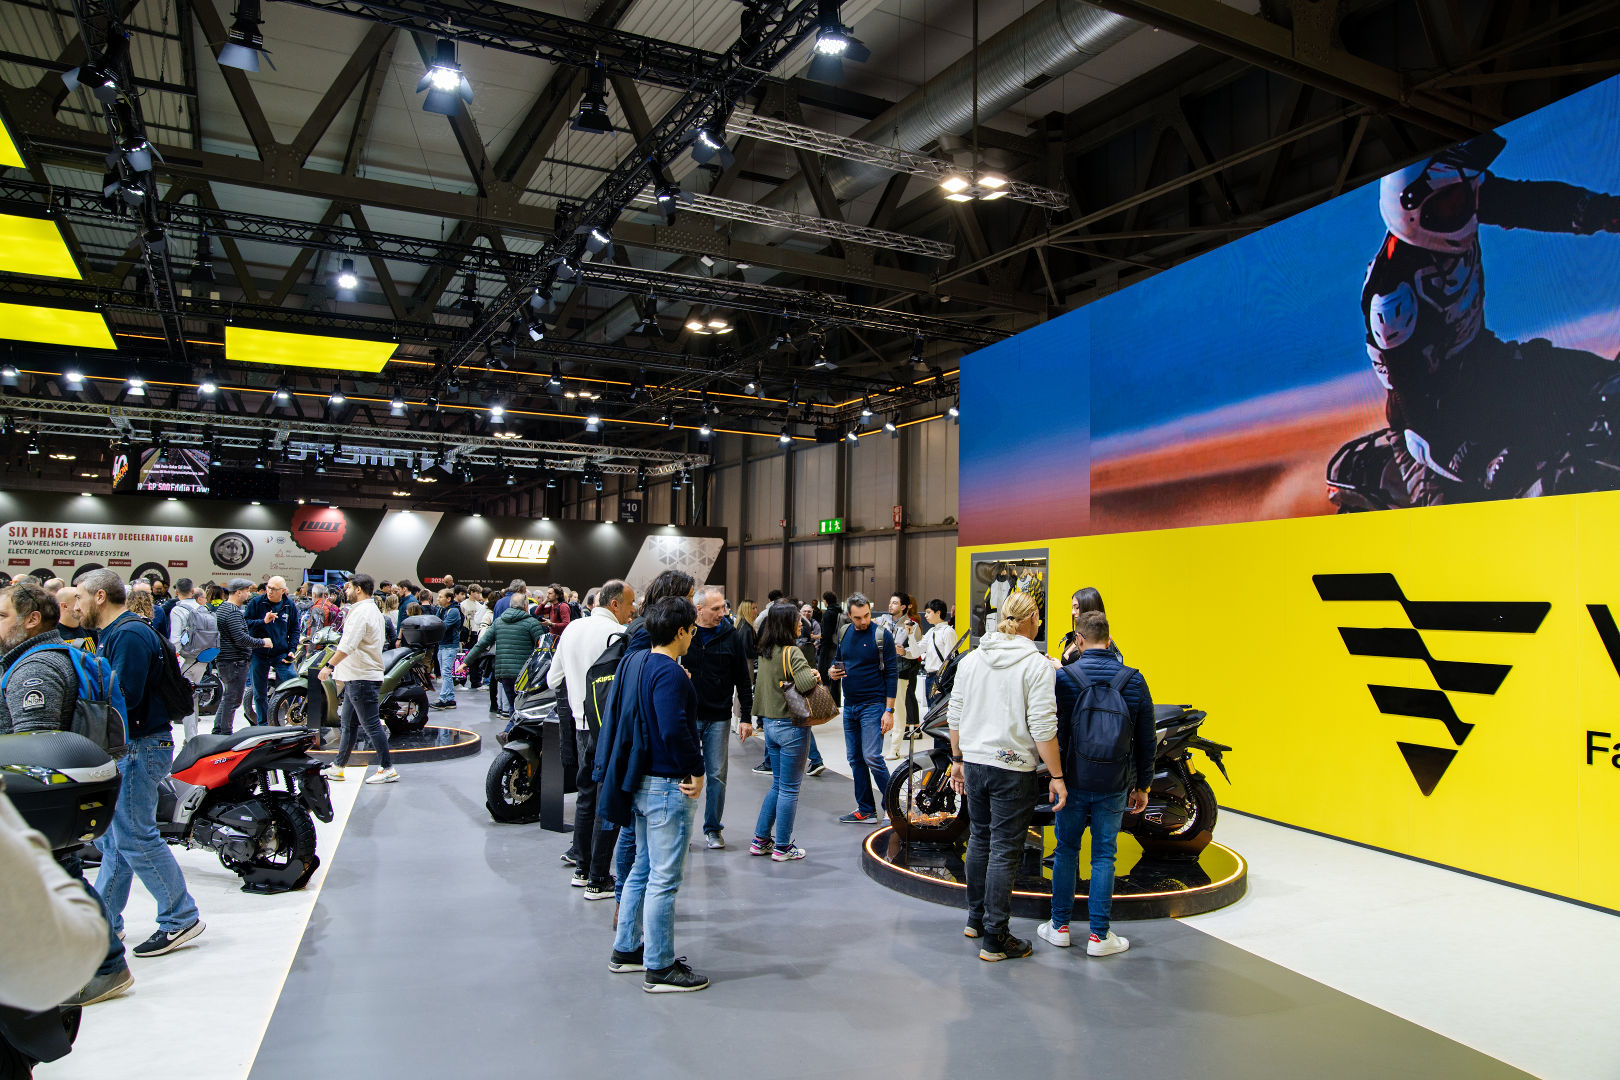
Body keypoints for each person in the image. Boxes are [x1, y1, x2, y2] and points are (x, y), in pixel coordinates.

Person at [0, 581, 133, 1006]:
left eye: (2, 616)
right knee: (64, 872)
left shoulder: (34, 668)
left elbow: (32, 745)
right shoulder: (54, 653)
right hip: (67, 786)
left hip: (41, 791)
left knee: (60, 874)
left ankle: (106, 967)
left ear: (30, 620)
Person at [77, 569, 207, 959]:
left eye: (80, 597)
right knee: (118, 842)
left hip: (140, 746)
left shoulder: (129, 634)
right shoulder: (119, 632)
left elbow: (125, 696)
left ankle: (180, 917)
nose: (77, 606)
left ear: (100, 596)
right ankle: (104, 924)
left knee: (135, 837)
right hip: (135, 746)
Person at [947, 590, 1066, 962]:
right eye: (1039, 617)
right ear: (1032, 620)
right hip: (1012, 768)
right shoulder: (1036, 666)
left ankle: (975, 920)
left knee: (979, 839)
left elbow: (955, 714)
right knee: (1004, 850)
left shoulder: (972, 659)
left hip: (975, 763)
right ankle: (996, 938)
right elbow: (1043, 728)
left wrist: (957, 759)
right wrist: (1057, 775)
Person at [605, 596, 709, 993]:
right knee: (664, 878)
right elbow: (673, 728)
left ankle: (626, 949)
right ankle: (660, 966)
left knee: (642, 869)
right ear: (681, 631)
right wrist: (697, 769)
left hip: (642, 782)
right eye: (692, 630)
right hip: (668, 786)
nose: (693, 636)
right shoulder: (669, 672)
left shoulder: (639, 663)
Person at [1043, 609, 1153, 958]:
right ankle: (1099, 936)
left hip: (1071, 781)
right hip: (1115, 781)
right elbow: (1146, 740)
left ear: (1079, 640)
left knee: (1066, 850)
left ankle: (1059, 927)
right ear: (1109, 640)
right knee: (1105, 854)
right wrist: (1142, 785)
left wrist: (1054, 777)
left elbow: (1051, 731)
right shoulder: (1134, 680)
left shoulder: (1064, 678)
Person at [547, 579, 635, 895]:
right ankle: (598, 878)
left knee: (586, 795)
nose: (633, 611)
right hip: (608, 729)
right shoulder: (619, 635)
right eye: (630, 604)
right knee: (607, 799)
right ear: (615, 604)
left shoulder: (571, 629)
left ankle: (582, 869)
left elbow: (552, 678)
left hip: (580, 725)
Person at [681, 585, 753, 850]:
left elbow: (743, 679)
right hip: (687, 717)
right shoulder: (684, 633)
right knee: (685, 775)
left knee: (717, 775)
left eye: (723, 607)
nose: (722, 612)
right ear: (698, 609)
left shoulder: (731, 635)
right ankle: (683, 830)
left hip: (719, 717)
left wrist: (746, 717)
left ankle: (712, 829)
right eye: (716, 608)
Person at [748, 602, 821, 862]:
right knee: (789, 789)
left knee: (778, 785)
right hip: (791, 726)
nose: (801, 624)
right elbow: (805, 684)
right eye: (797, 620)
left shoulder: (766, 652)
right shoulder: (793, 652)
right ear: (787, 624)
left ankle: (760, 840)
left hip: (770, 726)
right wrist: (814, 675)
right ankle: (782, 846)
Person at [319, 573, 399, 784]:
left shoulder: (362, 612)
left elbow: (348, 645)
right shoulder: (370, 610)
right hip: (357, 676)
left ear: (358, 589)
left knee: (371, 724)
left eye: (348, 587)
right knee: (348, 724)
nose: (345, 591)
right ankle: (338, 766)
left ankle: (387, 768)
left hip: (361, 677)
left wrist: (328, 666)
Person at [829, 592, 896, 824]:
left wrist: (889, 711)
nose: (864, 620)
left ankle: (893, 807)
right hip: (850, 705)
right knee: (855, 758)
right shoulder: (844, 632)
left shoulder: (882, 635)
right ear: (849, 615)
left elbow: (892, 674)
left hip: (873, 705)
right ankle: (866, 809)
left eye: (867, 615)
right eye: (858, 617)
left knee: (872, 757)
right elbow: (838, 659)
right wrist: (832, 671)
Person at [465, 591, 542, 721]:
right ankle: (511, 730)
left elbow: (482, 643)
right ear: (526, 606)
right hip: (525, 673)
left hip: (504, 672)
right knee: (523, 708)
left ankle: (511, 729)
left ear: (510, 605)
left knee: (513, 706)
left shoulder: (499, 622)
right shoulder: (532, 623)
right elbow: (541, 646)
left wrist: (466, 662)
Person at [212, 578, 271, 735]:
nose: (249, 594)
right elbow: (241, 639)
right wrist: (262, 642)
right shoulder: (232, 612)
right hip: (235, 661)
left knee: (228, 697)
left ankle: (218, 731)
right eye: (247, 591)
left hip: (227, 660)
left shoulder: (224, 608)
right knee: (232, 700)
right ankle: (225, 734)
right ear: (238, 592)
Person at [244, 576, 298, 732]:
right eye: (268, 587)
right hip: (259, 652)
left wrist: (292, 649)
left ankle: (293, 717)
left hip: (281, 653)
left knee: (293, 682)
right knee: (259, 691)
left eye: (274, 589)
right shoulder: (256, 603)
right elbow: (245, 624)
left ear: (283, 591)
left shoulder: (289, 606)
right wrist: (263, 621)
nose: (270, 591)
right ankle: (263, 725)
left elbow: (295, 629)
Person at [880, 591, 924, 757]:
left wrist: (904, 652)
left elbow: (917, 651)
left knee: (897, 710)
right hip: (881, 670)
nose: (890, 605)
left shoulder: (912, 625)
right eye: (890, 602)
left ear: (904, 607)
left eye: (895, 603)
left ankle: (895, 748)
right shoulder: (882, 621)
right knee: (879, 708)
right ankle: (877, 747)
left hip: (900, 670)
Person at [166, 579, 211, 741]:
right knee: (193, 695)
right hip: (203, 658)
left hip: (186, 659)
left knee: (181, 696)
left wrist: (173, 662)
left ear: (176, 592)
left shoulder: (178, 610)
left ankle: (190, 738)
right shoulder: (202, 608)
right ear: (193, 592)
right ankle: (192, 736)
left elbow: (175, 639)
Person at [1057, 587, 1121, 666]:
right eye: (1072, 608)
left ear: (1088, 608)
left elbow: (1094, 670)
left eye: (1077, 608)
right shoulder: (1072, 638)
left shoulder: (1098, 642)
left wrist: (1060, 669)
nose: (1073, 612)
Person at [431, 588, 462, 710]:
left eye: (440, 596)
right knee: (445, 673)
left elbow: (442, 626)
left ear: (448, 599)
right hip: (442, 644)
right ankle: (450, 699)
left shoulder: (453, 611)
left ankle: (442, 698)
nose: (438, 599)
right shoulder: (441, 609)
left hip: (450, 645)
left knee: (446, 672)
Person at [920, 599, 956, 701]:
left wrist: (940, 682)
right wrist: (911, 635)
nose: (925, 615)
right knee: (930, 709)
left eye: (929, 612)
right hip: (929, 677)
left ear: (938, 613)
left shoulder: (948, 631)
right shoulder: (931, 631)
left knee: (936, 708)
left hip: (939, 678)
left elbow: (949, 660)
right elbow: (917, 651)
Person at [53, 585, 96, 652]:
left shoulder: (89, 628)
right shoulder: (53, 633)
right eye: (78, 599)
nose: (84, 604)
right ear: (65, 606)